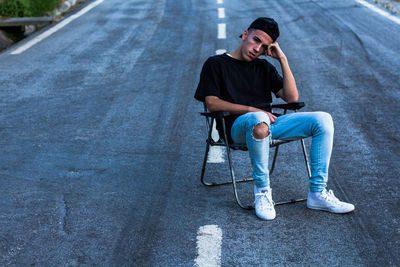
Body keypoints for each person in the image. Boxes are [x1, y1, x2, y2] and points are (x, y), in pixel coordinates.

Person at [194, 17, 355, 220]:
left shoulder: (264, 68)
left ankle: (317, 193)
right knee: (258, 118)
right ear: (245, 35)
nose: (257, 48)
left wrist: (282, 60)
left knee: (322, 120)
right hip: (237, 128)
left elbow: (292, 97)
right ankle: (262, 192)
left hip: (267, 124)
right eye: (256, 40)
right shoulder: (216, 63)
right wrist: (251, 110)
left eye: (264, 47)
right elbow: (212, 103)